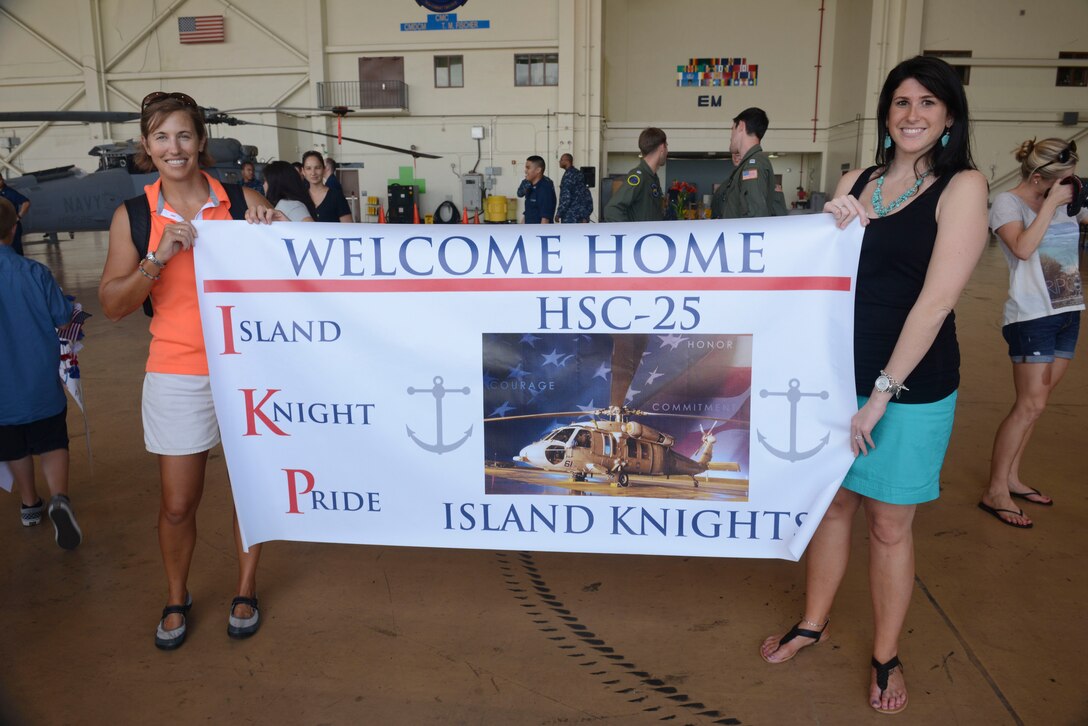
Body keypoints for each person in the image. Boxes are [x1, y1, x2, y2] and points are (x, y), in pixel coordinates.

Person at [758, 56, 988, 715]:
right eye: (901, 102)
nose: (912, 114)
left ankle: (886, 652)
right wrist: (824, 224)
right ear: (886, 115)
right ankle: (814, 620)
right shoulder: (856, 180)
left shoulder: (962, 187)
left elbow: (936, 302)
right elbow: (821, 274)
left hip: (909, 387)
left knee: (889, 524)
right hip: (835, 377)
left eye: (927, 103)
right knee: (831, 508)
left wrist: (881, 396)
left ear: (948, 117)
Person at [98, 91, 283, 651]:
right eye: (161, 138)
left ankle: (246, 587)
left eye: (183, 135)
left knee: (251, 492)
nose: (173, 148)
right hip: (177, 372)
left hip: (249, 367)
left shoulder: (238, 200)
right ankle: (176, 595)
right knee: (178, 503)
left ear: (200, 141)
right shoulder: (133, 215)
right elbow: (112, 304)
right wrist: (157, 258)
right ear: (146, 148)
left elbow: (290, 282)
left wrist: (272, 229)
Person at [979, 138, 1086, 528]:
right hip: (1032, 318)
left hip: (1068, 313)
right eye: (1063, 180)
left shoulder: (1064, 201)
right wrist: (1053, 206)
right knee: (1029, 405)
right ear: (1040, 177)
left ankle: (1011, 478)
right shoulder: (1009, 203)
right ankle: (995, 491)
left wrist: (1067, 201)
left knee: (1036, 408)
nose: (1070, 186)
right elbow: (1023, 248)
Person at [0, 198, 82, 549]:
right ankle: (59, 497)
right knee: (52, 441)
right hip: (39, 384)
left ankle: (30, 504)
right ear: (14, 229)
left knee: (12, 445)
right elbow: (64, 323)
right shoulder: (34, 273)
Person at [711, 107, 788, 219]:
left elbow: (754, 214)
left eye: (732, 129)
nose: (731, 136)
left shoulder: (753, 166)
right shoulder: (748, 165)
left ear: (741, 126)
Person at [603, 127, 667, 223]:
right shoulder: (639, 177)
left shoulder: (652, 177)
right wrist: (631, 234)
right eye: (667, 146)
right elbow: (612, 210)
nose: (667, 152)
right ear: (662, 147)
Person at [302, 150, 352, 223]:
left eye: (317, 167)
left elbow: (349, 227)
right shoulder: (301, 197)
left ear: (324, 169)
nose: (313, 173)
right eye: (308, 168)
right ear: (303, 171)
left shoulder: (336, 196)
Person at [517, 155, 556, 223]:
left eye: (528, 168)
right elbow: (528, 211)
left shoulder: (545, 187)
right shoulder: (528, 183)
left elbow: (545, 219)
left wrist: (540, 233)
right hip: (529, 230)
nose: (525, 171)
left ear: (538, 170)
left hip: (539, 231)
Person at [555, 153, 593, 223]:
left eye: (561, 160)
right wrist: (586, 214)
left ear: (567, 161)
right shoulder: (579, 174)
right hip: (582, 216)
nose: (559, 162)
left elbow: (566, 197)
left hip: (570, 217)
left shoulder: (568, 176)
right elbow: (587, 194)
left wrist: (559, 213)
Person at [0, 173, 31, 256]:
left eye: (1, 179)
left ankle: (20, 268)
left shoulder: (9, 192)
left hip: (12, 227)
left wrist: (18, 216)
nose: (1, 181)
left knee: (15, 251)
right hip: (3, 226)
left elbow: (26, 202)